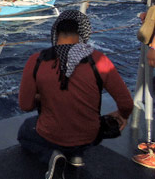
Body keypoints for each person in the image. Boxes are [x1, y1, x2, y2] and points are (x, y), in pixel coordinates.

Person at [17, 10, 133, 179]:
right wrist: (122, 115)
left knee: (26, 130)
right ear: (82, 34)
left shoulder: (37, 60)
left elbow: (25, 105)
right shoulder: (99, 60)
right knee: (84, 131)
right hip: (90, 136)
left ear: (55, 34)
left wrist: (41, 97)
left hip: (51, 135)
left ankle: (52, 156)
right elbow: (126, 103)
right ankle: (76, 155)